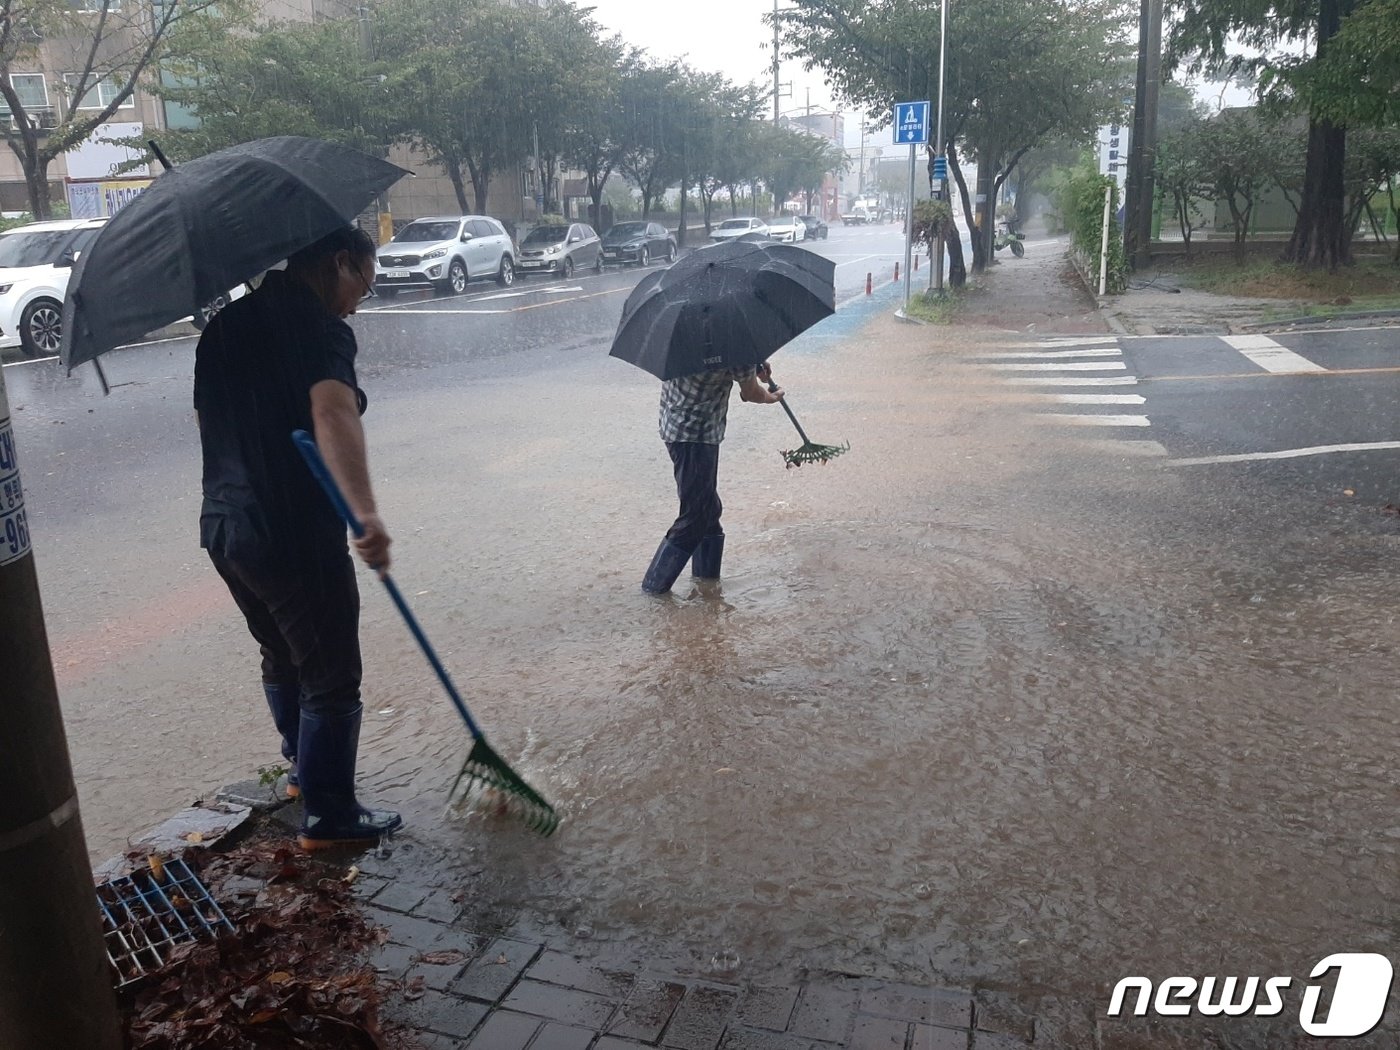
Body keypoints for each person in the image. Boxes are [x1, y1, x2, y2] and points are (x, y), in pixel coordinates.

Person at [194, 225, 402, 851]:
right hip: (292, 533)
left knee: (283, 653)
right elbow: (333, 411)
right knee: (333, 672)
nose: (361, 298)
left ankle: (301, 773)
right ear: (341, 263)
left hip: (225, 529)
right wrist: (365, 516)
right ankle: (330, 816)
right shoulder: (320, 329)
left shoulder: (224, 327)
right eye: (365, 280)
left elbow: (211, 420)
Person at [642, 361, 784, 593]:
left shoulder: (685, 333)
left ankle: (707, 584)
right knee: (697, 515)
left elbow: (729, 369)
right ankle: (653, 590)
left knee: (707, 510)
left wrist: (750, 368)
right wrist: (771, 396)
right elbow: (750, 392)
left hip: (674, 427)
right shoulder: (736, 343)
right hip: (698, 435)